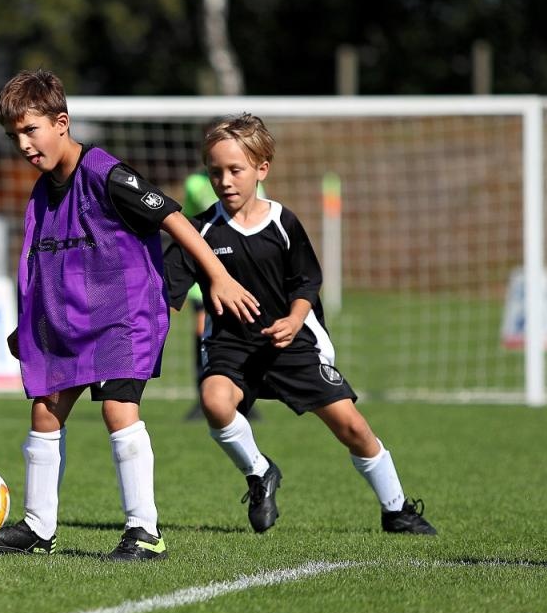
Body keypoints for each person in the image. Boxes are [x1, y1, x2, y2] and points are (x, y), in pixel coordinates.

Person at [0, 69, 259, 562]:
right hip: (68, 320)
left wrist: (215, 274)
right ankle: (38, 527)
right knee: (45, 407)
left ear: (61, 122)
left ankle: (144, 531)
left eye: (30, 130)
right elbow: (44, 264)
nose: (23, 144)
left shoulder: (107, 173)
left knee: (117, 408)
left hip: (124, 314)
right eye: (13, 136)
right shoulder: (43, 192)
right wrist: (26, 327)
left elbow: (172, 215)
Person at [164, 113, 436, 536]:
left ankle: (396, 509)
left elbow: (307, 280)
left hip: (291, 343)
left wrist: (293, 320)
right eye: (215, 172)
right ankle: (259, 473)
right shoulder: (199, 233)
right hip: (232, 347)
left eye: (235, 170)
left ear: (261, 169)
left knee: (352, 427)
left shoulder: (282, 223)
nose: (225, 181)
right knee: (215, 402)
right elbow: (166, 294)